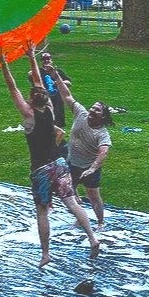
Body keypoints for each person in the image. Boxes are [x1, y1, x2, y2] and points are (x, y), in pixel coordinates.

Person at [0, 46, 100, 267]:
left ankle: (45, 254)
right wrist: (32, 57)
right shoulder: (51, 108)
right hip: (59, 163)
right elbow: (39, 82)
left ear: (31, 100)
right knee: (72, 202)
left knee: (42, 211)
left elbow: (12, 87)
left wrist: (4, 63)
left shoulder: (29, 114)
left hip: (41, 169)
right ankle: (92, 237)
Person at [48, 69, 112, 228]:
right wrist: (56, 77)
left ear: (102, 117)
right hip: (72, 163)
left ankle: (100, 222)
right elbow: (67, 96)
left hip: (89, 168)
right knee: (67, 191)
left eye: (97, 110)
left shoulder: (102, 133)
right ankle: (80, 215)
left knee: (94, 197)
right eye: (93, 107)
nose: (92, 110)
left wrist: (92, 168)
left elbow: (103, 152)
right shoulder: (81, 114)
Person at [38, 49, 71, 128]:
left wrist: (58, 82)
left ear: (51, 60)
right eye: (44, 59)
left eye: (48, 58)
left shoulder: (57, 71)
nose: (46, 60)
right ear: (41, 61)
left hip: (57, 98)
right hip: (44, 99)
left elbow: (69, 83)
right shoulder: (38, 72)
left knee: (58, 119)